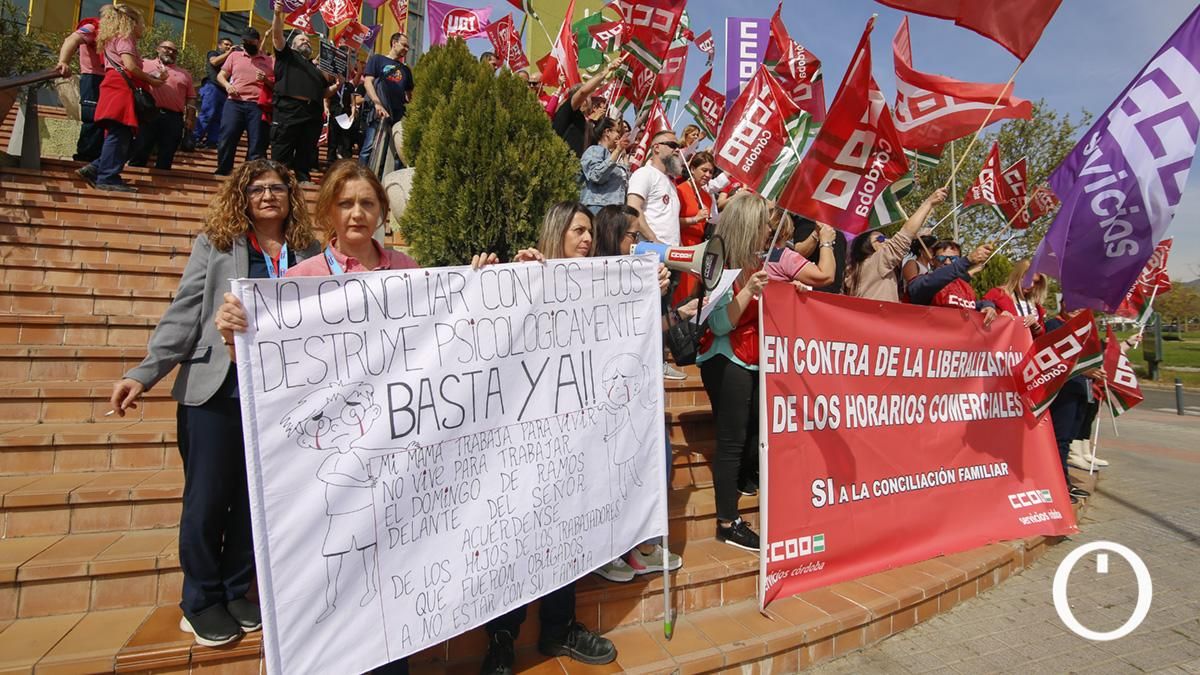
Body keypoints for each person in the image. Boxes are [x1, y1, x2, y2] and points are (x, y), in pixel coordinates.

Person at [109, 158, 318, 646]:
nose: (268, 196)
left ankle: (234, 588)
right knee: (207, 499)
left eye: (278, 187)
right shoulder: (218, 243)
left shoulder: (308, 250)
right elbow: (185, 311)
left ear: (291, 197)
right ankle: (200, 599)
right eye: (257, 189)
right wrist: (145, 372)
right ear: (241, 197)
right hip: (215, 387)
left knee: (255, 498)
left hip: (277, 393)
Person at [476, 203, 618, 674]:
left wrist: (648, 293)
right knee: (516, 538)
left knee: (565, 534)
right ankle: (502, 637)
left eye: (591, 233)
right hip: (521, 441)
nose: (587, 240)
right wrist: (511, 280)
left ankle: (560, 627)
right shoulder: (529, 275)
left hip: (574, 439)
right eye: (579, 230)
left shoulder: (598, 288)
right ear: (556, 232)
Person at [698, 193, 837, 551]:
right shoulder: (719, 262)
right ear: (748, 226)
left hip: (749, 359)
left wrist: (790, 289)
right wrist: (750, 293)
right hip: (725, 358)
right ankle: (728, 523)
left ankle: (739, 505)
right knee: (731, 442)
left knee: (749, 435)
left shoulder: (753, 264)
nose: (768, 232)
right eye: (763, 226)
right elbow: (719, 322)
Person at [588, 204, 682, 583]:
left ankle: (637, 542)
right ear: (613, 236)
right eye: (633, 236)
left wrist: (672, 309)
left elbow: (642, 330)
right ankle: (610, 548)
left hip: (635, 388)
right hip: (605, 392)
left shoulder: (636, 273)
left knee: (656, 460)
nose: (639, 243)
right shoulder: (592, 274)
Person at [75, 4, 166, 193]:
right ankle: (108, 176)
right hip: (121, 88)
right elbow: (130, 66)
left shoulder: (111, 39)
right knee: (120, 134)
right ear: (131, 22)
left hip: (114, 85)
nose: (143, 27)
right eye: (141, 23)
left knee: (123, 134)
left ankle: (97, 168)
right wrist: (152, 80)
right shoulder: (126, 38)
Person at [844, 188, 947, 301]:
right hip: (878, 317)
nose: (887, 240)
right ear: (867, 246)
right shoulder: (875, 261)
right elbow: (904, 236)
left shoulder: (859, 268)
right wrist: (929, 202)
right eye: (881, 238)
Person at [269, 7, 332, 183]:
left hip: (312, 114)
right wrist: (277, 14)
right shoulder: (286, 55)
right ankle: (277, 181)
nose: (306, 41)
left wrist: (337, 85)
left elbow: (324, 92)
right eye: (301, 39)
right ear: (293, 44)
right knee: (282, 151)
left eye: (308, 40)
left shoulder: (316, 68)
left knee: (306, 150)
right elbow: (277, 35)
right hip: (288, 111)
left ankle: (303, 178)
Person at [215, 27, 274, 176]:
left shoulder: (269, 61)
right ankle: (224, 169)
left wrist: (266, 80)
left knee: (257, 141)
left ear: (258, 41)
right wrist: (228, 85)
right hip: (235, 103)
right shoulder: (234, 56)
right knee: (227, 136)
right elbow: (221, 76)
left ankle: (252, 173)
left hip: (257, 105)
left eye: (251, 41)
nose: (247, 43)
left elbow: (276, 85)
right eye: (245, 41)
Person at [130, 41, 196, 170]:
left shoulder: (185, 74)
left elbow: (191, 99)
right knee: (140, 149)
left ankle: (163, 179)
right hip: (147, 114)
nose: (170, 52)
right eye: (167, 48)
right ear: (157, 49)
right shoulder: (143, 64)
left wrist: (189, 118)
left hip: (174, 118)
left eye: (174, 51)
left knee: (167, 153)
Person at [56, 9, 108, 163]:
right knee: (92, 118)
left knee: (105, 120)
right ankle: (84, 157)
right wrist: (63, 61)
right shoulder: (92, 28)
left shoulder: (116, 37)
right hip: (93, 78)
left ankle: (98, 158)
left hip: (109, 80)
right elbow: (71, 40)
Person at [907, 240, 998, 324]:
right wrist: (968, 260)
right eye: (942, 258)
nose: (947, 262)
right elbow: (925, 285)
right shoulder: (924, 282)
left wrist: (987, 306)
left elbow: (973, 305)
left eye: (954, 259)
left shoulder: (964, 286)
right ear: (932, 261)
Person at [360, 33, 414, 168]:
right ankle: (360, 178)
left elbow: (409, 95)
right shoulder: (377, 59)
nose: (406, 49)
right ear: (394, 43)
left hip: (398, 116)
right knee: (369, 148)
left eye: (408, 47)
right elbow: (368, 83)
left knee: (398, 152)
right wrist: (377, 104)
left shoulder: (406, 70)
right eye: (404, 45)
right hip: (379, 113)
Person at [553, 57, 624, 158]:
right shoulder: (568, 111)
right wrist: (608, 69)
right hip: (562, 167)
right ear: (583, 100)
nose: (593, 101)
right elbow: (583, 92)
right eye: (590, 96)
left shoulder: (589, 124)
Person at [626, 130, 684, 245]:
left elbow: (672, 224)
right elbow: (633, 208)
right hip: (650, 251)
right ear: (656, 148)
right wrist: (653, 240)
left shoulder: (671, 184)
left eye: (678, 146)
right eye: (672, 145)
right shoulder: (644, 173)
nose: (677, 150)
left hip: (670, 253)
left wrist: (680, 248)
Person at [673, 151, 715, 306]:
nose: (708, 175)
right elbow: (672, 221)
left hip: (699, 250)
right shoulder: (679, 190)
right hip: (682, 248)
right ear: (692, 169)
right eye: (704, 170)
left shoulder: (708, 198)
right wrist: (695, 219)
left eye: (711, 172)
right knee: (680, 296)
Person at [984, 259, 1048, 336]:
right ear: (1018, 276)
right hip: (1001, 345)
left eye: (1036, 282)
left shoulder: (1036, 306)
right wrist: (999, 318)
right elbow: (979, 320)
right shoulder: (997, 294)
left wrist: (1036, 327)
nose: (1031, 285)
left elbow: (1042, 336)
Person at [579, 117, 629, 214]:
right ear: (607, 132)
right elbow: (596, 176)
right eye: (617, 131)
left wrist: (623, 155)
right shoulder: (594, 150)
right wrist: (617, 150)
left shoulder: (615, 156)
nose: (619, 135)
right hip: (598, 208)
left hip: (616, 211)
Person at [192, 38, 234, 149]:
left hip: (224, 91)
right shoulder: (213, 53)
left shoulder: (231, 59)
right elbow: (214, 61)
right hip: (212, 87)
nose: (229, 47)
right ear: (219, 45)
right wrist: (230, 53)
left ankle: (212, 141)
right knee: (207, 113)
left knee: (219, 117)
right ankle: (195, 138)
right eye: (226, 44)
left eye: (230, 45)